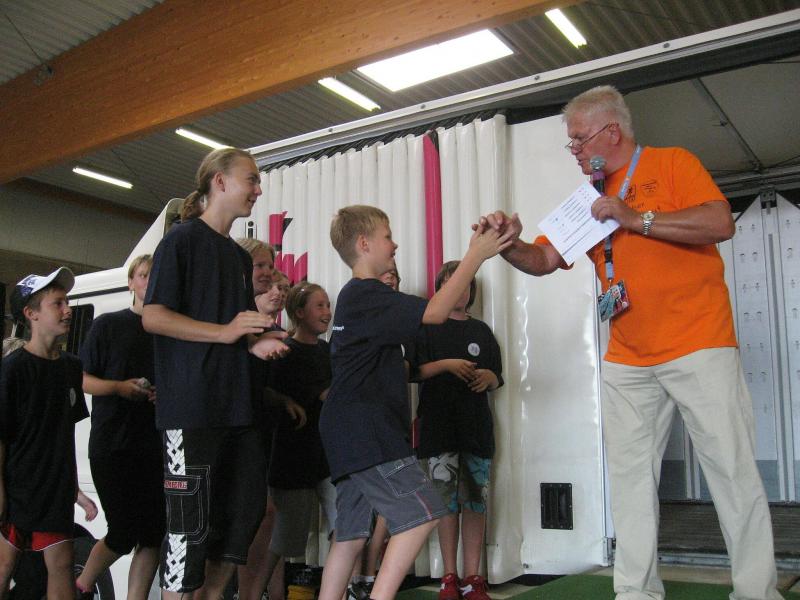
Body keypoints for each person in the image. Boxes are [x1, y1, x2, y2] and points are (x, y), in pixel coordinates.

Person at [479, 85, 782, 600]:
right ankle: (636, 592)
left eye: (578, 139)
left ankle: (756, 592)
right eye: (571, 142)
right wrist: (508, 244)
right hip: (627, 360)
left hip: (700, 344)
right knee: (629, 480)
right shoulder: (587, 201)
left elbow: (719, 221)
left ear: (611, 133)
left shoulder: (672, 163)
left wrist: (633, 217)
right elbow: (544, 260)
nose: (573, 150)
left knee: (732, 472)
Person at [317, 205, 511, 600]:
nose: (395, 245)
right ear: (364, 243)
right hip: (367, 431)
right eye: (387, 236)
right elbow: (436, 311)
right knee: (422, 515)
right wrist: (475, 255)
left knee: (350, 534)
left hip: (346, 431)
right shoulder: (366, 294)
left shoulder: (357, 299)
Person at [142, 147, 289, 599]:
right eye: (252, 178)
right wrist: (226, 333)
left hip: (237, 411)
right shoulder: (181, 241)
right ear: (219, 182)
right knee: (188, 534)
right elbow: (154, 316)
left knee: (240, 526)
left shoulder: (237, 257)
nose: (258, 188)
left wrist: (255, 341)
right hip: (192, 411)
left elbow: (234, 330)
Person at [74, 254, 164, 600]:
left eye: (156, 275)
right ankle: (82, 586)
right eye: (143, 275)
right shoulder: (108, 325)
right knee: (123, 531)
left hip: (154, 445)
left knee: (153, 533)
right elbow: (82, 379)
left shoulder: (168, 333)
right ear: (131, 282)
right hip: (112, 444)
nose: (149, 281)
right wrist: (119, 388)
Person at [414, 260, 503, 600]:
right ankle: (449, 576)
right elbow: (414, 372)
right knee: (445, 504)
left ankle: (473, 577)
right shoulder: (427, 328)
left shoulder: (482, 331)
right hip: (438, 429)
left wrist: (490, 378)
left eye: (466, 284)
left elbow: (497, 375)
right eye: (453, 283)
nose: (460, 291)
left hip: (475, 429)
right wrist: (446, 366)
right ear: (441, 288)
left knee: (475, 502)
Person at [0, 268, 90, 600]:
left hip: (55, 488)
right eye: (57, 304)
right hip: (18, 486)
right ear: (32, 313)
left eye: (67, 302)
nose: (67, 310)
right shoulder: (13, 369)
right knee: (4, 565)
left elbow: (65, 432)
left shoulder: (71, 367)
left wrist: (73, 487)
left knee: (62, 565)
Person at [234, 240, 300, 600]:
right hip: (229, 432)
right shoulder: (233, 320)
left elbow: (258, 386)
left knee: (263, 516)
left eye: (270, 268)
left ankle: (253, 593)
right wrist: (252, 345)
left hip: (257, 432)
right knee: (246, 518)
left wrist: (280, 398)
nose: (269, 278)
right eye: (260, 267)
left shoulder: (270, 330)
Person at [263, 282, 337, 595]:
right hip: (293, 459)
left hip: (328, 457)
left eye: (328, 305)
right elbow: (267, 392)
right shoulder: (284, 351)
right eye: (319, 306)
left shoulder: (327, 351)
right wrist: (285, 401)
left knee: (347, 526)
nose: (327, 312)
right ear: (299, 312)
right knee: (285, 539)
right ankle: (258, 590)